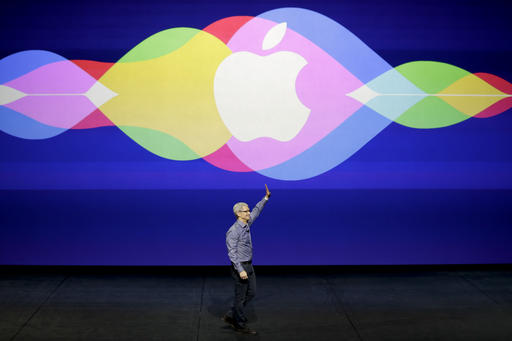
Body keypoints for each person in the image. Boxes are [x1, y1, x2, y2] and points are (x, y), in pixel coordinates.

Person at [222, 184, 271, 335]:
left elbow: (256, 211)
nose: (249, 212)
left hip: (249, 265)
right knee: (240, 296)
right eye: (246, 211)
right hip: (240, 268)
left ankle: (232, 315)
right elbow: (232, 253)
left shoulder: (247, 224)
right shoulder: (233, 231)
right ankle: (239, 324)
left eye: (248, 210)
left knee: (252, 293)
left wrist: (265, 198)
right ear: (238, 213)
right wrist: (241, 270)